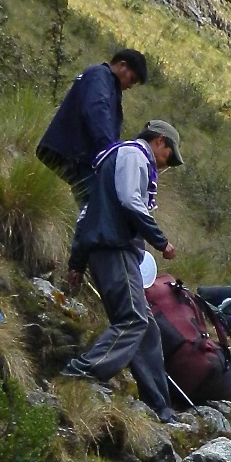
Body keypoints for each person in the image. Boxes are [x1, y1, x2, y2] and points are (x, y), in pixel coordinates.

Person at [61, 118, 183, 419]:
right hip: (114, 248)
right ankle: (81, 372)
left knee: (146, 327)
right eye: (169, 155)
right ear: (160, 142)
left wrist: (78, 261)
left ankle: (159, 406)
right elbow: (130, 201)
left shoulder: (116, 160)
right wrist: (160, 241)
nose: (166, 164)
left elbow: (87, 213)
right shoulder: (133, 155)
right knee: (132, 320)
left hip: (105, 247)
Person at [37, 48, 149, 193]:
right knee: (98, 205)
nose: (130, 85)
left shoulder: (107, 84)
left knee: (93, 203)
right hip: (74, 154)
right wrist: (110, 152)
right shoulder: (100, 75)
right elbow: (96, 110)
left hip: (78, 155)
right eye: (132, 79)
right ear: (122, 65)